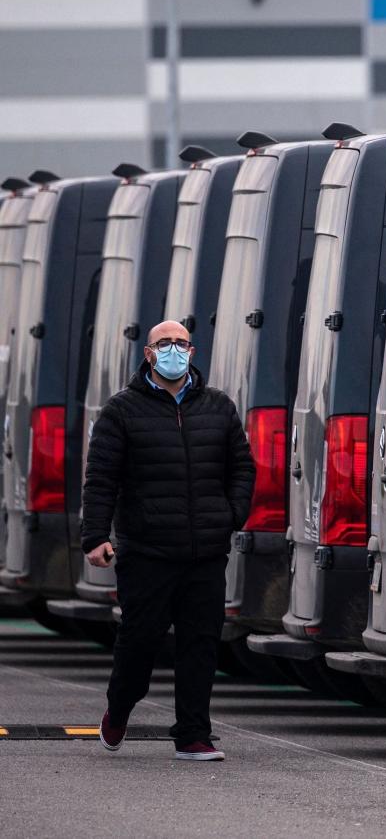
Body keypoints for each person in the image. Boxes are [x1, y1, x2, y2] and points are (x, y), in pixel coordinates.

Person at [81, 320, 255, 761]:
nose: (174, 350)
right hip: (147, 552)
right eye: (165, 344)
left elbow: (242, 468)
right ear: (148, 354)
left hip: (205, 552)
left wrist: (231, 515)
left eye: (181, 343)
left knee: (200, 643)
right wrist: (95, 537)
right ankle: (119, 709)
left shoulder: (219, 407)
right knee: (139, 641)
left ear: (193, 352)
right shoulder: (121, 411)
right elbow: (101, 479)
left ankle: (193, 734)